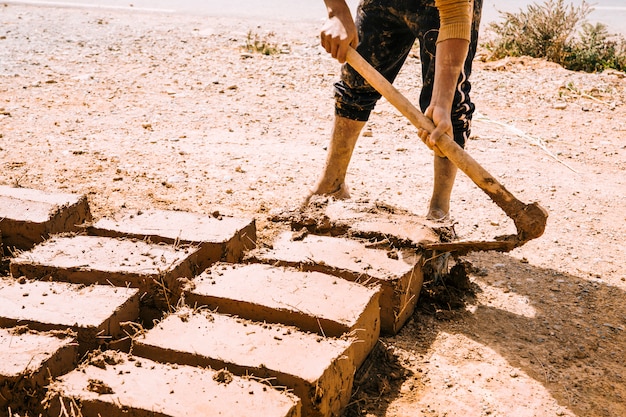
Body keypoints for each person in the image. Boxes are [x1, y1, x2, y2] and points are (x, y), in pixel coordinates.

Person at [306, 0, 482, 221]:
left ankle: (439, 210)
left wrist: (442, 102)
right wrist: (337, 11)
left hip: (443, 9)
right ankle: (332, 184)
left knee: (448, 111)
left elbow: (455, 13)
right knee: (355, 84)